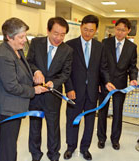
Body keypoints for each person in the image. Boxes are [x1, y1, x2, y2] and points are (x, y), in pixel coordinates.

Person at [0, 17, 47, 161]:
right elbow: (11, 86)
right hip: (8, 108)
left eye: (25, 36)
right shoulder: (4, 55)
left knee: (10, 143)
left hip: (15, 106)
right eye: (21, 37)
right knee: (8, 145)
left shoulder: (17, 50)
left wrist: (34, 76)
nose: (25, 40)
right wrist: (34, 90)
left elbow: (22, 72)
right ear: (9, 37)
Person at [64, 15, 115, 160]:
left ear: (96, 30)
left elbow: (103, 68)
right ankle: (71, 147)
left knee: (90, 122)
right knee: (72, 121)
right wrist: (69, 88)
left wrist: (106, 82)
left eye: (91, 30)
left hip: (92, 92)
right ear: (81, 27)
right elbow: (66, 70)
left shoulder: (100, 47)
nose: (87, 33)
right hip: (74, 91)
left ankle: (85, 148)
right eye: (85, 29)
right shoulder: (70, 45)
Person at [27, 17, 73, 161]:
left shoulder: (67, 50)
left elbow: (66, 73)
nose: (58, 38)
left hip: (53, 96)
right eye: (55, 33)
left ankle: (53, 154)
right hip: (35, 93)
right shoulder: (36, 43)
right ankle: (35, 153)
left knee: (53, 126)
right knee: (34, 125)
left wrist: (54, 82)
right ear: (48, 30)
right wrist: (36, 72)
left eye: (62, 34)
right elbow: (29, 62)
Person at [97, 18, 138, 150]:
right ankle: (101, 138)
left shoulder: (132, 47)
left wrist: (133, 78)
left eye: (123, 30)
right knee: (102, 111)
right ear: (115, 29)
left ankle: (115, 139)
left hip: (120, 85)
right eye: (118, 29)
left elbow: (132, 67)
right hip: (105, 82)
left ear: (128, 31)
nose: (119, 33)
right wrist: (104, 81)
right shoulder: (105, 43)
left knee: (118, 112)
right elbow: (101, 65)